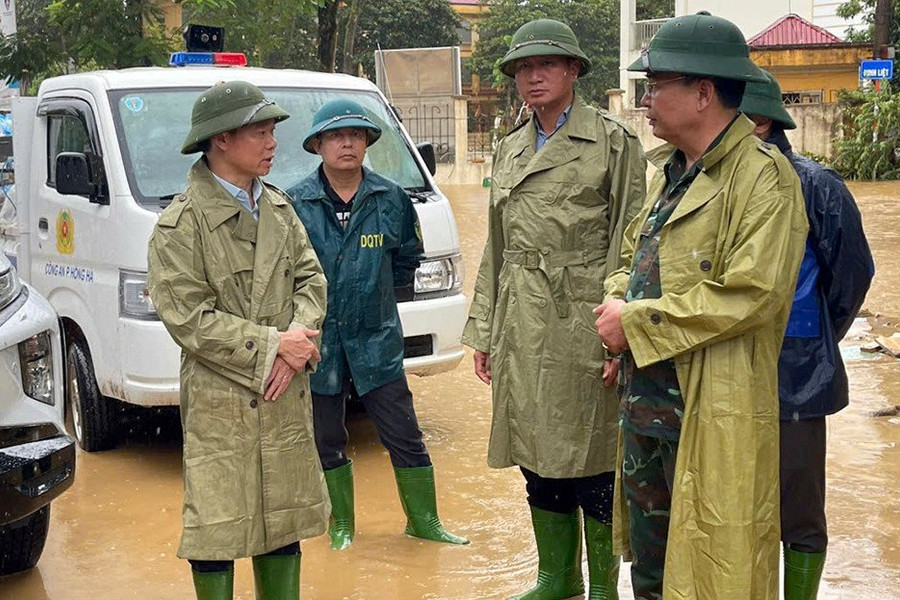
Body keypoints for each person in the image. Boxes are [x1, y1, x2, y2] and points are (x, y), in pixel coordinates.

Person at [593, 13, 810, 600]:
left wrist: (633, 323)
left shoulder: (764, 179)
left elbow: (751, 294)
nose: (644, 100)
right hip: (645, 412)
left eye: (656, 85)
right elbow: (634, 259)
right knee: (653, 570)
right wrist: (617, 300)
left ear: (704, 93)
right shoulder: (670, 174)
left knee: (717, 570)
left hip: (708, 411)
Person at [462, 18, 646, 600]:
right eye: (522, 68)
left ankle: (601, 587)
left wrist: (624, 333)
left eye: (545, 65)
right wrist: (485, 329)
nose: (532, 77)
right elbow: (498, 244)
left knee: (593, 453)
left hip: (584, 319)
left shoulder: (613, 141)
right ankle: (555, 577)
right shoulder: (510, 146)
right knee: (533, 447)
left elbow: (634, 241)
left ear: (573, 71)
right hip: (521, 319)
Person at [148, 81, 329, 600]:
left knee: (282, 523)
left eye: (272, 132)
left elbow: (312, 281)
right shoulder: (180, 224)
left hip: (283, 391)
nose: (273, 144)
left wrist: (296, 345)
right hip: (221, 399)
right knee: (218, 525)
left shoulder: (278, 207)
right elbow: (189, 318)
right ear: (222, 139)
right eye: (262, 133)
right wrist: (275, 346)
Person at [287, 98, 468, 551]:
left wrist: (375, 299)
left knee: (404, 432)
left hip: (377, 340)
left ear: (367, 142)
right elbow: (284, 273)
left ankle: (424, 522)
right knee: (327, 437)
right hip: (319, 343)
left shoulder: (391, 200)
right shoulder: (294, 203)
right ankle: (341, 526)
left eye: (355, 134)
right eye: (335, 135)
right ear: (319, 145)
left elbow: (408, 262)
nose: (347, 142)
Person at [740, 70, 874, 600]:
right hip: (724, 366)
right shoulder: (700, 182)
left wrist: (817, 336)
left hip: (796, 375)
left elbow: (853, 273)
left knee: (797, 505)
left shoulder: (815, 184)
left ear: (761, 121)